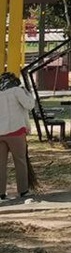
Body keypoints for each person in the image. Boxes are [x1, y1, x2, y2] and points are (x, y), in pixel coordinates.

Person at [0, 72, 34, 203]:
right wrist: (27, 93)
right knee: (20, 161)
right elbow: (29, 105)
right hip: (16, 131)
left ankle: (1, 193)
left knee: (1, 164)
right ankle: (23, 190)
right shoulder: (17, 91)